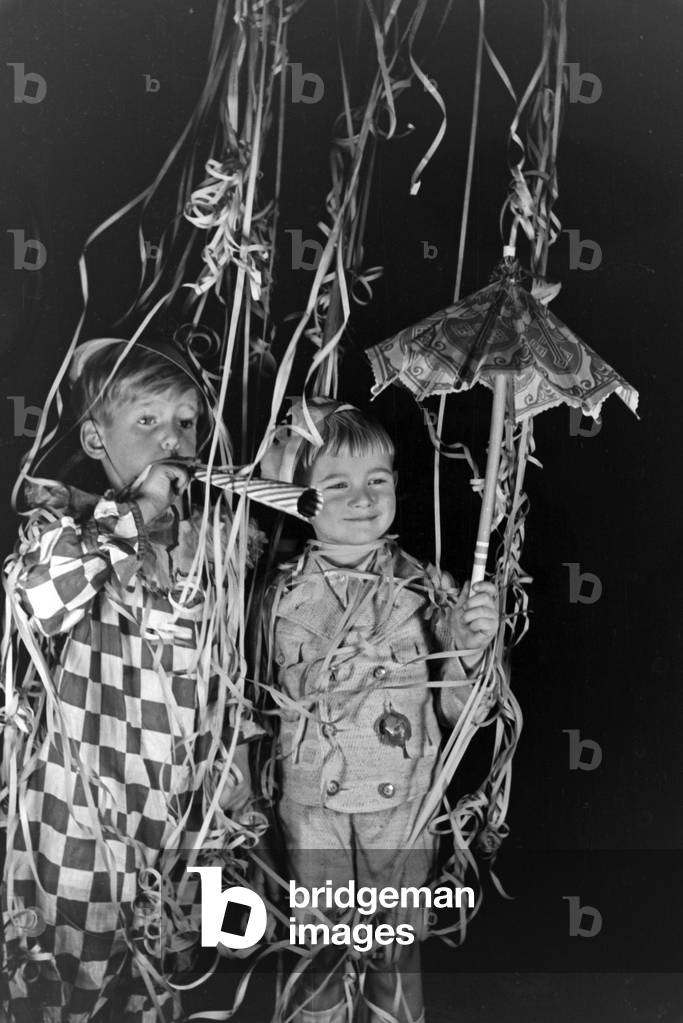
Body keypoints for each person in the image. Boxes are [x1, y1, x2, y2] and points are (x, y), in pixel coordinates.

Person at [1, 338, 260, 1023]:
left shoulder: (212, 545)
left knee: (160, 988)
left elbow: (226, 672)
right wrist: (137, 513)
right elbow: (42, 600)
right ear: (94, 436)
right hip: (81, 813)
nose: (173, 438)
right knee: (76, 982)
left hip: (174, 815)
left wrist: (234, 764)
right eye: (147, 421)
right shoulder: (64, 521)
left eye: (186, 422)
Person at [257, 398, 500, 1023]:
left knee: (394, 953)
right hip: (314, 807)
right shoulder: (274, 597)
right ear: (295, 496)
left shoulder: (428, 589)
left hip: (402, 808)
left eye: (377, 481)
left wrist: (470, 652)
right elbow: (254, 702)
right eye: (337, 484)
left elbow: (457, 716)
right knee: (320, 950)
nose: (362, 498)